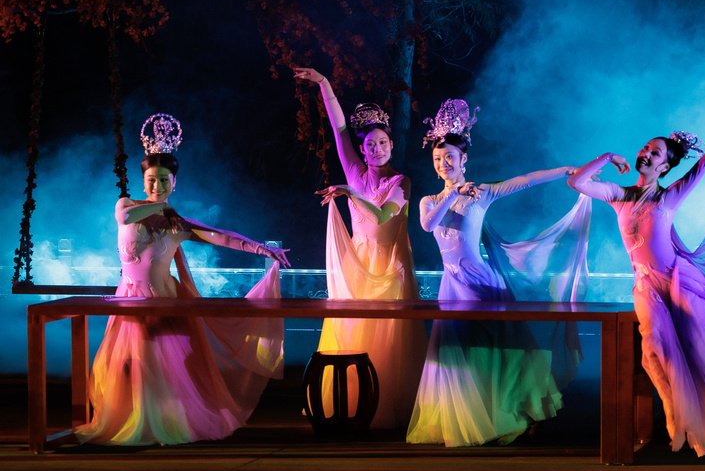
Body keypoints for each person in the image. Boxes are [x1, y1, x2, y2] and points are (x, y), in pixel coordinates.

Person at [569, 120, 705, 456]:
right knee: (654, 345)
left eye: (655, 152)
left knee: (700, 348)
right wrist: (607, 157)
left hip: (678, 282)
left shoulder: (669, 196)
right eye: (645, 148)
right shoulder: (619, 196)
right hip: (646, 286)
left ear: (665, 166)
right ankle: (674, 413)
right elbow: (576, 182)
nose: (646, 153)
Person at [77, 114, 290, 446]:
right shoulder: (127, 206)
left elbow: (222, 237)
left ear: (174, 182)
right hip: (129, 299)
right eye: (151, 180)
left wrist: (262, 249)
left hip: (163, 300)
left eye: (164, 180)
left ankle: (163, 424)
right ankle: (133, 420)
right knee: (122, 364)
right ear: (143, 181)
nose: (157, 186)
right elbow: (125, 217)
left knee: (159, 367)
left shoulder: (178, 224)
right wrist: (161, 209)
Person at [407, 99, 591, 446]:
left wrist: (564, 170)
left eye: (450, 157)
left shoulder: (482, 193)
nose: (444, 164)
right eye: (438, 159)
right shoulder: (429, 201)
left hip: (482, 284)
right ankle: (472, 417)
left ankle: (516, 410)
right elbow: (429, 225)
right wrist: (453, 192)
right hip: (453, 286)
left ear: (464, 160)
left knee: (502, 348)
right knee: (458, 353)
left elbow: (524, 181)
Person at [294, 67, 427, 429]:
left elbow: (382, 216)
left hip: (391, 267)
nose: (376, 148)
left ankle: (391, 405)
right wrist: (324, 83)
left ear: (392, 145)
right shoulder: (355, 173)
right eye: (370, 144)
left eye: (382, 142)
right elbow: (339, 130)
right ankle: (352, 401)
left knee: (391, 336)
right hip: (360, 263)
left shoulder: (401, 181)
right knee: (356, 332)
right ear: (363, 149)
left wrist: (350, 193)